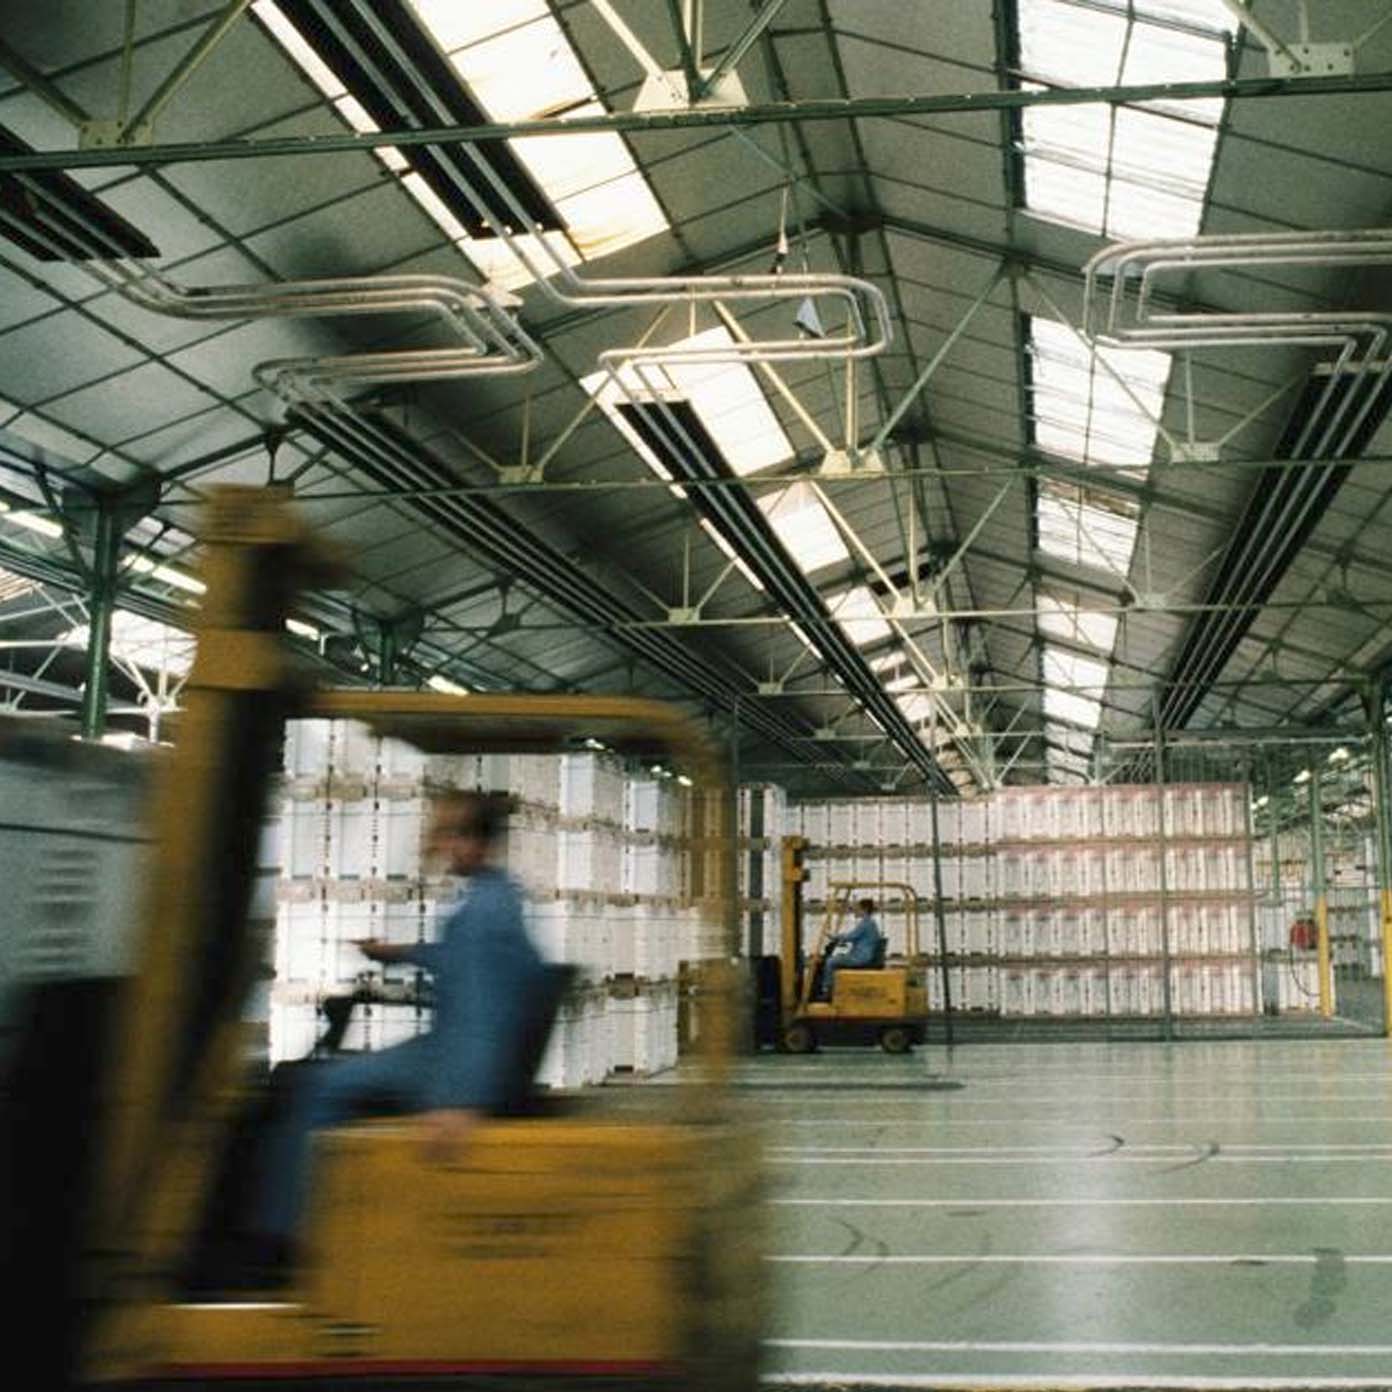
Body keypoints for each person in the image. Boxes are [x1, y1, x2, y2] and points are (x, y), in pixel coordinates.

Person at [248, 789, 544, 1279]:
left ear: (475, 843)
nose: (440, 845)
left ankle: (285, 1241)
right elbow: (462, 962)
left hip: (452, 1058)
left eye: (449, 835)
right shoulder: (498, 895)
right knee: (327, 1075)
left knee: (316, 1085)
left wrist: (458, 1100)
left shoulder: (482, 913)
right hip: (453, 1049)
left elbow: (482, 1011)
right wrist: (396, 952)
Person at [817, 897, 884, 1000]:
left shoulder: (866, 923)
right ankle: (833, 989)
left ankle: (826, 991)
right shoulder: (869, 922)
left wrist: (834, 936)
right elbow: (855, 937)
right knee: (838, 957)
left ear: (865, 909)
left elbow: (851, 936)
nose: (855, 910)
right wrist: (841, 940)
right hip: (861, 955)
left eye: (858, 908)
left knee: (830, 962)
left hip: (860, 958)